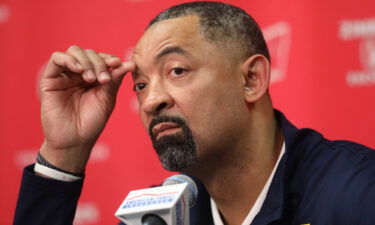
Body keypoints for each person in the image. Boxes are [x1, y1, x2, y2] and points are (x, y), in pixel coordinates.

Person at [14, 2, 375, 225]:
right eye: (139, 84)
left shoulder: (357, 195)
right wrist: (64, 155)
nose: (151, 100)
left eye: (176, 71)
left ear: (252, 79)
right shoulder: (162, 217)